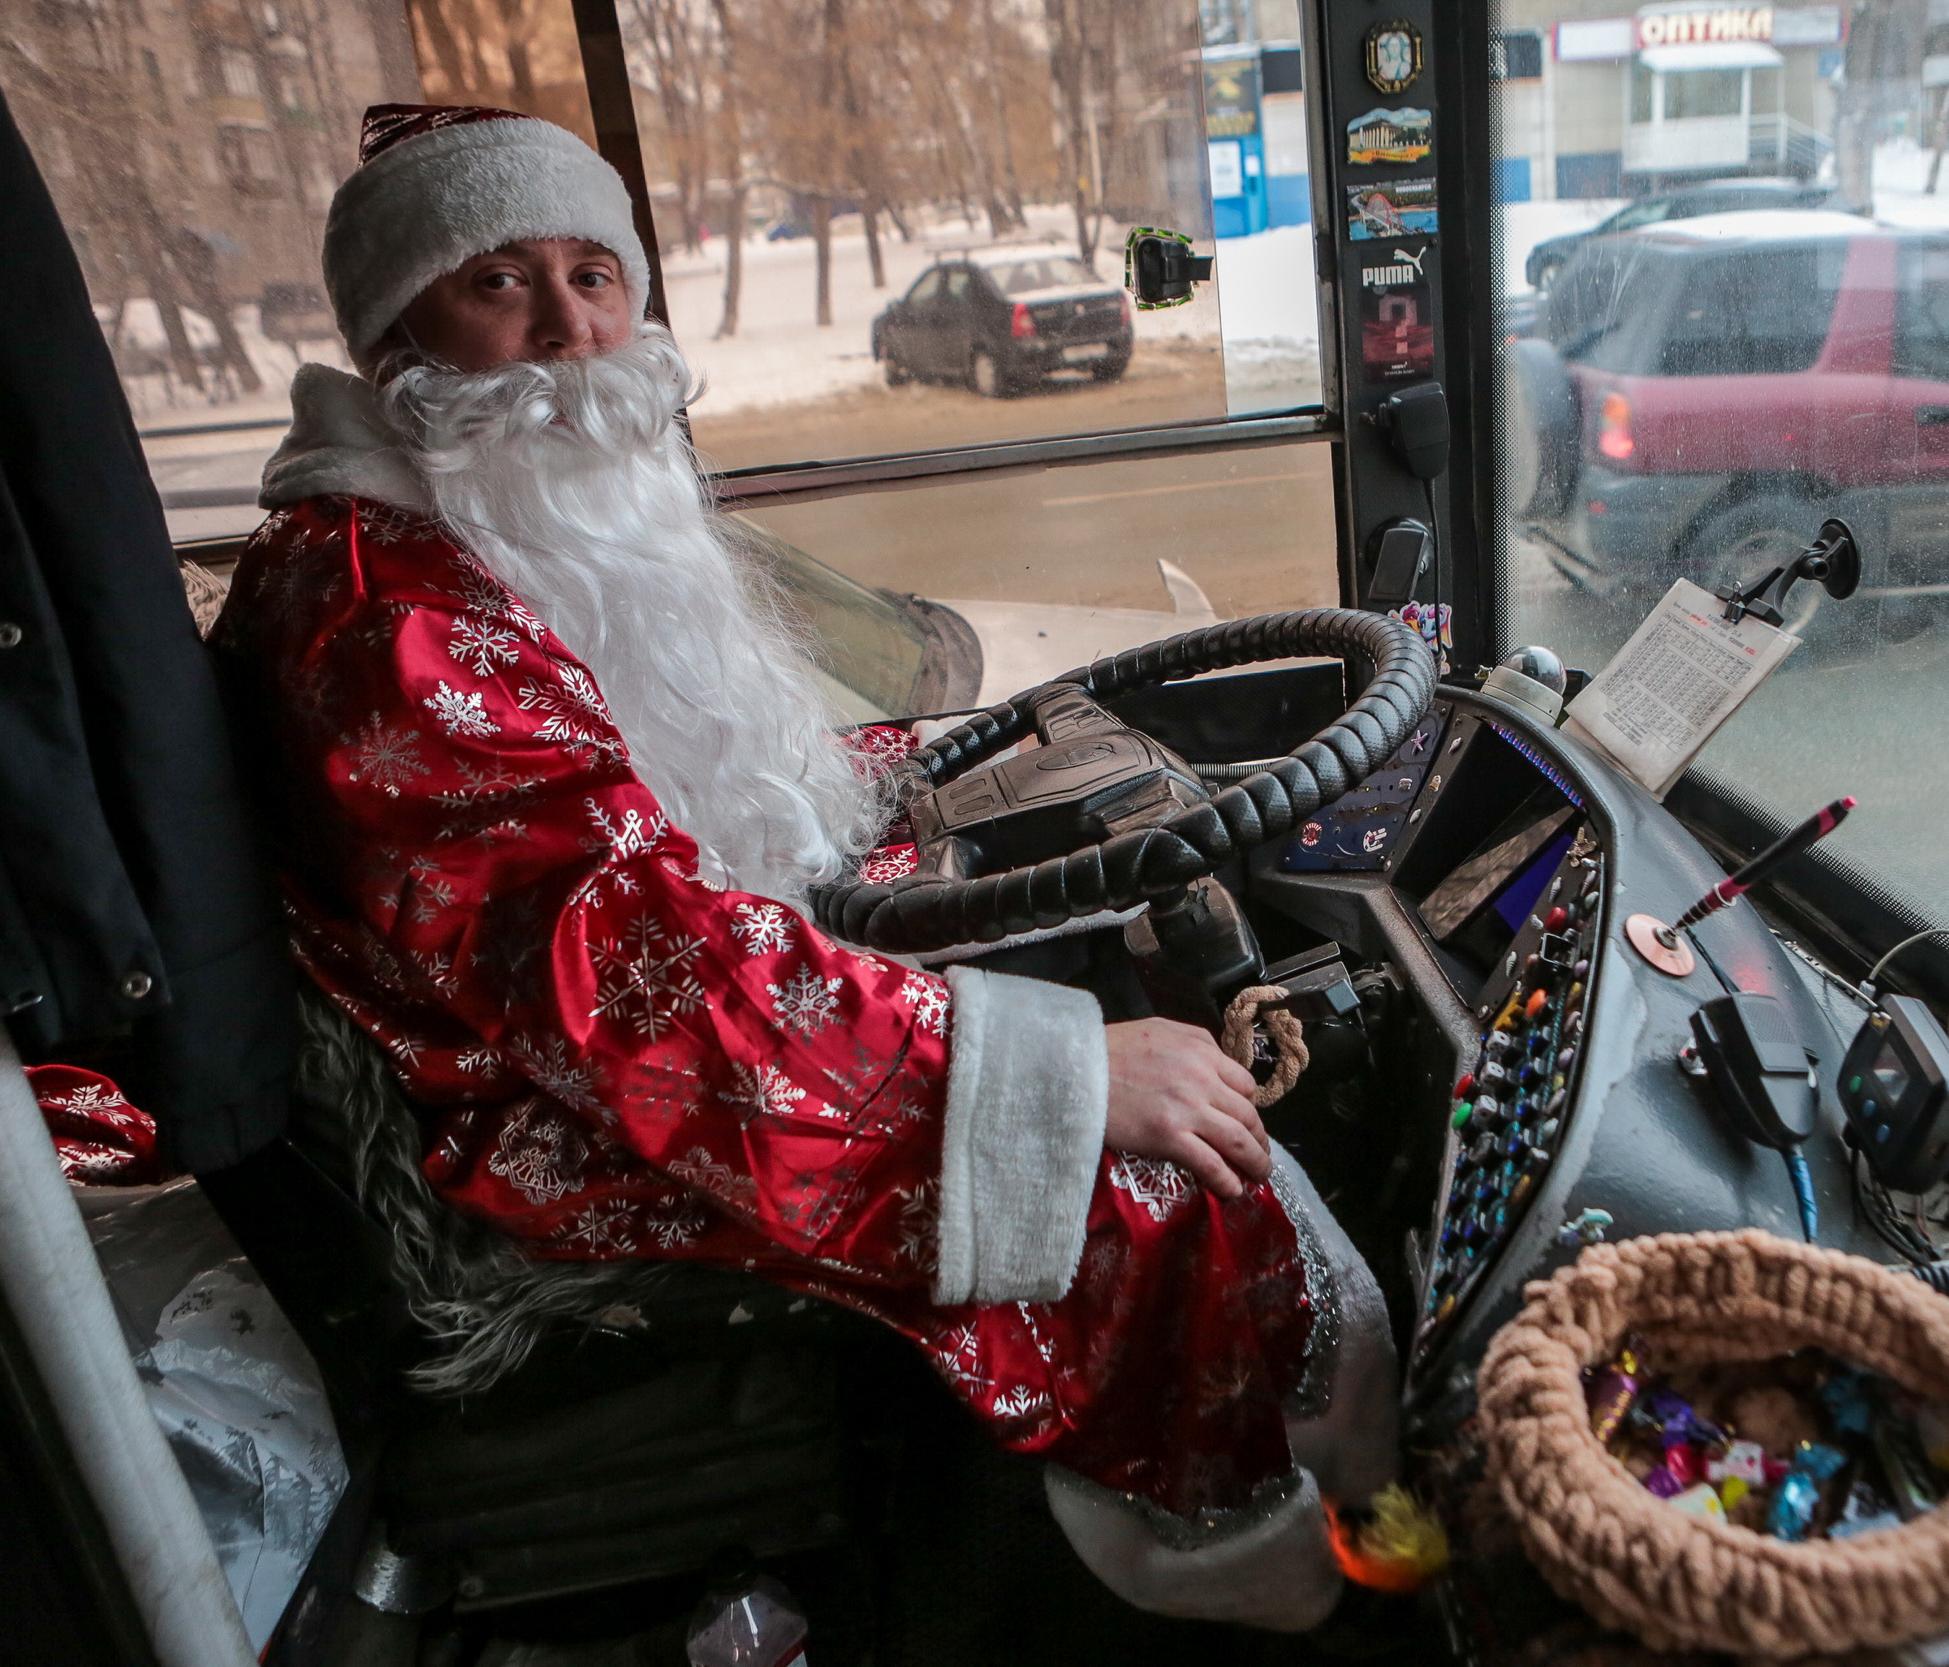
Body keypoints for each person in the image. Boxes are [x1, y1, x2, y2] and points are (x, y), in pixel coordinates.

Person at [214, 103, 1400, 1630]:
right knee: (1158, 1182)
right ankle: (1265, 1584)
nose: (570, 336)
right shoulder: (390, 613)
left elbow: (635, 827)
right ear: (397, 335)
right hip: (541, 1127)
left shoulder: (465, 535)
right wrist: (1059, 1080)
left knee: (1063, 997)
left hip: (585, 1046)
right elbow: (636, 988)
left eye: (596, 275)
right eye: (498, 284)